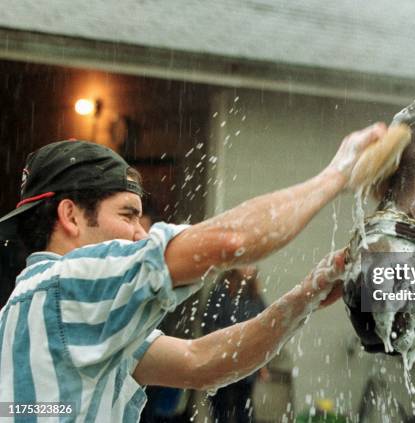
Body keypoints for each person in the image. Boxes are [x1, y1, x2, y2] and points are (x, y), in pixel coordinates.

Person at [0, 122, 388, 421]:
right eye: (127, 214)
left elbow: (200, 362)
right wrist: (338, 174)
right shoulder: (69, 285)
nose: (141, 232)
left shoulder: (42, 307)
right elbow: (231, 241)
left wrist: (305, 296)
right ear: (69, 215)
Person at [203, 266, 267, 423]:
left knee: (244, 406)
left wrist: (263, 363)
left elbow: (264, 327)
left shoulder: (255, 295)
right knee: (220, 406)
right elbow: (209, 324)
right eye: (246, 263)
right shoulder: (221, 290)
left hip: (246, 359)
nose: (249, 268)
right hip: (223, 358)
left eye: (252, 264)